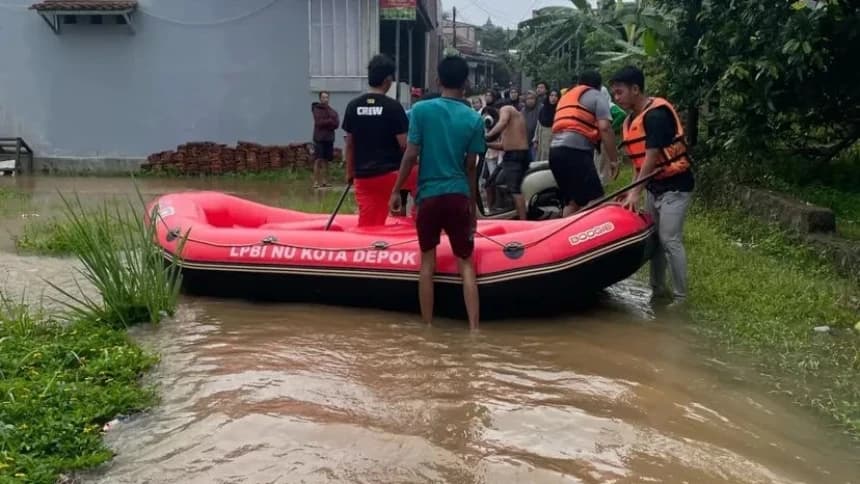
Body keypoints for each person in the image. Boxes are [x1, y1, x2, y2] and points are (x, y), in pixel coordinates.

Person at [388, 55, 484, 330]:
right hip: (458, 195)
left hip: (428, 196)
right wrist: (473, 207)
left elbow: (411, 154)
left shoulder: (421, 110)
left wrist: (396, 190)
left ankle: (428, 327)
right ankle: (474, 329)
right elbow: (471, 167)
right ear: (466, 82)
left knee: (427, 264)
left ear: (438, 80)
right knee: (466, 264)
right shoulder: (473, 119)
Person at [610, 65, 695, 306]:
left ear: (635, 89)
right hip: (654, 186)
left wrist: (636, 191)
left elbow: (651, 156)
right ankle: (657, 291)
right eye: (614, 93)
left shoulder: (655, 115)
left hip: (675, 186)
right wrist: (631, 189)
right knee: (655, 239)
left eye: (619, 93)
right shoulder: (631, 120)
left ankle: (681, 297)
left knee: (670, 239)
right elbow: (640, 163)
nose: (617, 98)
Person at [342, 54, 416, 227]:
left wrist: (349, 172)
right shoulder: (393, 107)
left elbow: (350, 143)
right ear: (388, 80)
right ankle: (420, 224)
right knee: (425, 177)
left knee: (369, 223)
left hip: (364, 177)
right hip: (392, 174)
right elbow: (404, 145)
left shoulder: (353, 106)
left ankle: (369, 243)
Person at [549, 71, 620, 217]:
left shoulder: (566, 97)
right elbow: (605, 128)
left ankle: (566, 235)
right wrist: (614, 160)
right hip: (575, 152)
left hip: (555, 152)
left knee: (572, 202)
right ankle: (592, 236)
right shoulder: (596, 95)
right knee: (597, 200)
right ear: (599, 86)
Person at [484, 102, 531, 220]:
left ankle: (523, 220)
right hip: (511, 155)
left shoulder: (507, 108)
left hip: (516, 155)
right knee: (491, 182)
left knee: (515, 188)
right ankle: (493, 211)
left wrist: (487, 136)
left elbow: (502, 122)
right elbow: (504, 145)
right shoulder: (512, 123)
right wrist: (486, 144)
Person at [311, 91, 339, 189]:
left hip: (329, 138)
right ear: (320, 98)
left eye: (327, 97)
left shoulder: (332, 111)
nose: (325, 99)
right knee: (318, 160)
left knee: (327, 161)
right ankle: (315, 182)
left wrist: (328, 122)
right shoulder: (316, 109)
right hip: (319, 138)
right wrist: (330, 121)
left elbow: (336, 124)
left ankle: (325, 181)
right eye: (323, 97)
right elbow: (319, 122)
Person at [533, 89, 558, 161]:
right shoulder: (543, 109)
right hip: (542, 139)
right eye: (551, 95)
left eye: (556, 96)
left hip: (554, 139)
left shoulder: (559, 110)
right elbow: (538, 124)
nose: (553, 98)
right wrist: (536, 139)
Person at [520, 90, 540, 161]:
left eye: (532, 98)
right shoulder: (522, 111)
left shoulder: (540, 110)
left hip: (536, 144)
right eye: (528, 99)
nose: (530, 101)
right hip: (524, 143)